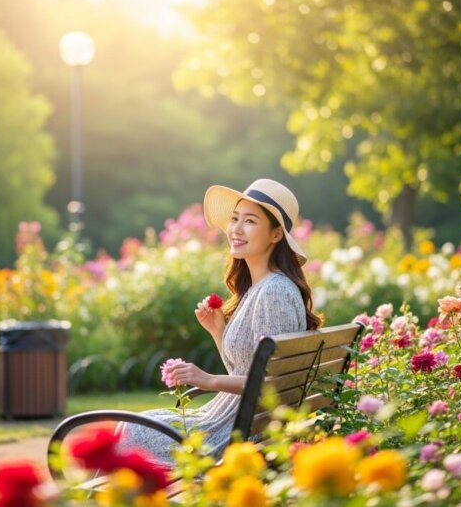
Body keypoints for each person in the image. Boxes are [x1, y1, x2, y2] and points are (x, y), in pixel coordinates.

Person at [117, 179, 322, 466]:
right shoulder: (259, 287)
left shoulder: (274, 291)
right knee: (136, 425)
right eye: (235, 218)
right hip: (230, 423)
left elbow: (274, 385)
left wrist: (208, 380)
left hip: (234, 436)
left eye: (250, 221)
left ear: (276, 234)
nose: (236, 229)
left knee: (132, 431)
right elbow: (248, 374)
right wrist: (218, 331)